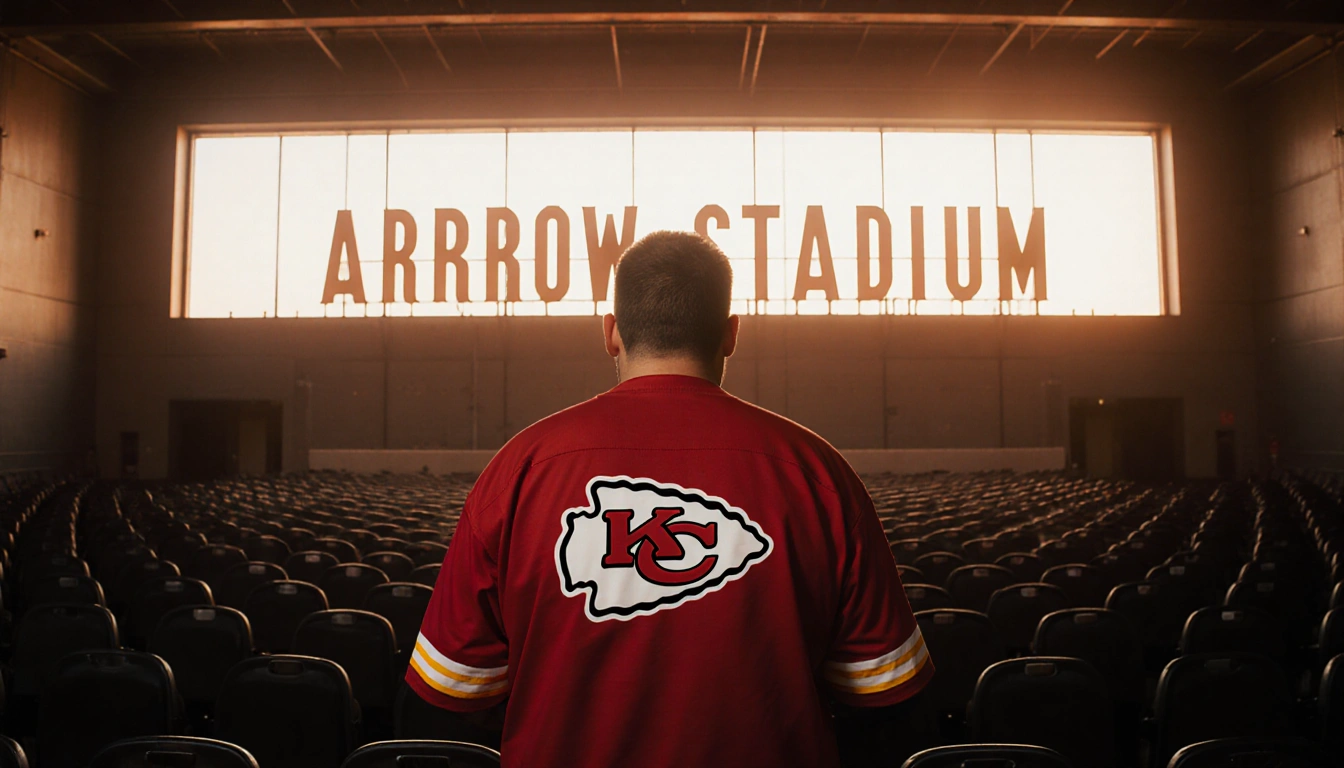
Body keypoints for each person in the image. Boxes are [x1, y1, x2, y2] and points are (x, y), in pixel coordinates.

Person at [407, 231, 932, 767]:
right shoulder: (818, 472)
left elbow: (455, 687)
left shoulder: (519, 470)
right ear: (730, 334)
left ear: (611, 333)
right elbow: (881, 691)